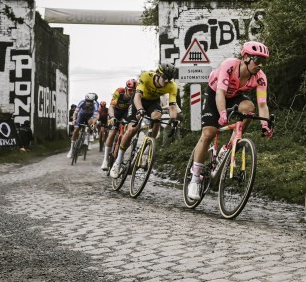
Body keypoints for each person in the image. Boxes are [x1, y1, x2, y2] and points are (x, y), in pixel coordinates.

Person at [187, 41, 274, 200]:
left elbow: (262, 103)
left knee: (249, 108)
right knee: (209, 133)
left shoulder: (260, 77)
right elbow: (220, 93)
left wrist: (265, 124)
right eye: (257, 60)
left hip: (234, 96)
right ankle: (194, 179)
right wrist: (222, 113)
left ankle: (229, 146)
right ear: (246, 57)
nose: (260, 65)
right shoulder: (229, 65)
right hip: (215, 94)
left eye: (264, 61)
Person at [109, 65, 179, 178]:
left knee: (157, 117)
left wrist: (173, 120)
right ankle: (118, 161)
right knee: (132, 129)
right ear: (158, 74)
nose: (167, 81)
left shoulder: (172, 86)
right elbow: (137, 97)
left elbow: (172, 106)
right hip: (139, 100)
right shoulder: (146, 76)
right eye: (165, 77)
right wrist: (140, 109)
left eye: (169, 79)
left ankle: (147, 148)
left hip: (153, 102)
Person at [100, 79, 136, 171]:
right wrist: (112, 117)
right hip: (116, 111)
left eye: (134, 91)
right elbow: (111, 107)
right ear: (126, 89)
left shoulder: (135, 96)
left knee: (129, 132)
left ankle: (121, 154)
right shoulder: (119, 92)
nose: (132, 93)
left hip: (126, 112)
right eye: (130, 90)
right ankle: (105, 160)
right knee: (112, 133)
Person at [67, 93, 99, 158]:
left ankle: (88, 138)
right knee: (76, 130)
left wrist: (93, 123)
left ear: (93, 101)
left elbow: (96, 116)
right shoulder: (82, 102)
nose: (89, 103)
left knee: (91, 124)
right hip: (81, 115)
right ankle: (71, 149)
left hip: (90, 116)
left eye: (91, 101)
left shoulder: (95, 104)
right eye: (88, 101)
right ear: (85, 100)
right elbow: (75, 113)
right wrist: (74, 120)